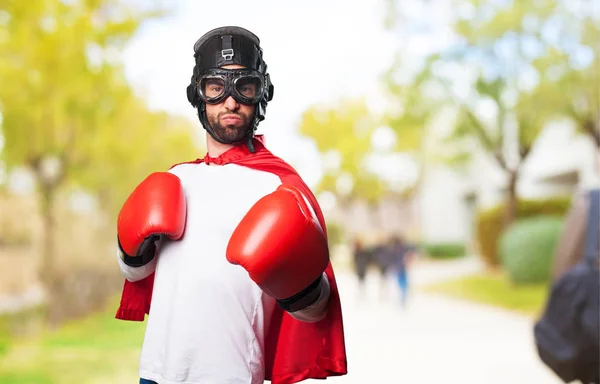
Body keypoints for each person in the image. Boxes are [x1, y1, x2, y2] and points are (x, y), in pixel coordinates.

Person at [113, 26, 347, 384]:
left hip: (231, 375)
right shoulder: (176, 179)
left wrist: (301, 286)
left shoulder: (282, 186)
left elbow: (315, 313)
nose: (231, 101)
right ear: (199, 96)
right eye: (216, 88)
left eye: (245, 87)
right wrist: (130, 251)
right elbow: (137, 276)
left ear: (261, 95)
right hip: (157, 371)